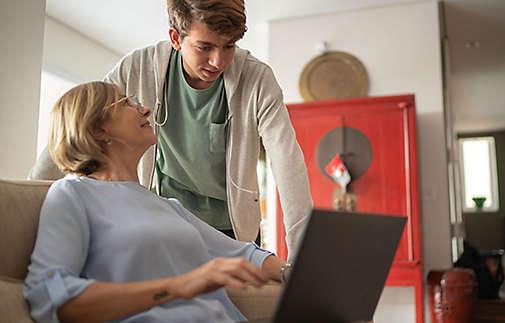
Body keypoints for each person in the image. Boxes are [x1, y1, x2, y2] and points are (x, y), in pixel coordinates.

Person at [29, 0, 312, 262]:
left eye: (229, 46)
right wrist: (27, 198)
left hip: (232, 228)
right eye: (205, 47)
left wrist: (302, 256)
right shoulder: (137, 67)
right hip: (166, 220)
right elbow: (84, 119)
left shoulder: (257, 78)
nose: (218, 61)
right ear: (176, 38)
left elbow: (288, 161)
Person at [24, 81, 289, 323]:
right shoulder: (72, 194)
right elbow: (53, 299)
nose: (146, 110)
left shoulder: (168, 206)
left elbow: (246, 254)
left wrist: (295, 274)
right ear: (97, 129)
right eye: (127, 102)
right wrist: (177, 286)